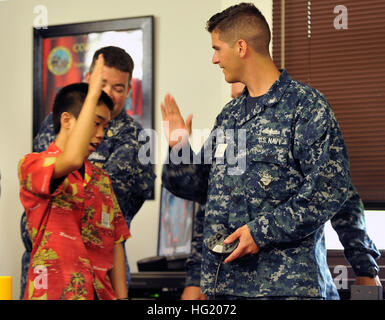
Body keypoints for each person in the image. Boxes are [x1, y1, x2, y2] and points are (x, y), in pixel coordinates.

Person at [161, 3, 380, 299]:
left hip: (285, 290)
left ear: (241, 47)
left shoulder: (305, 107)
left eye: (217, 48)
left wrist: (261, 231)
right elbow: (200, 189)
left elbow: (330, 190)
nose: (214, 59)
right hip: (225, 288)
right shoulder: (230, 116)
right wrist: (179, 148)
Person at [20, 46, 156, 299]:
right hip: (53, 285)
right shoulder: (32, 163)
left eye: (104, 126)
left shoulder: (101, 177)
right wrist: (92, 94)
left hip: (100, 287)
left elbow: (116, 239)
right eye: (95, 124)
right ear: (67, 120)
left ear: (128, 91)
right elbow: (68, 159)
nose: (101, 134)